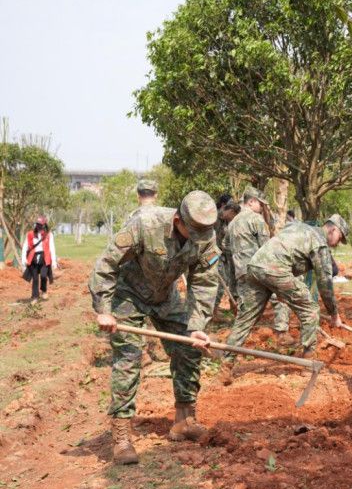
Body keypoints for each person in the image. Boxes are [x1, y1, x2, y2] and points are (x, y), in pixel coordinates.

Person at [88, 190, 220, 465]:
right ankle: (122, 436)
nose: (196, 239)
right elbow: (107, 264)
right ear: (177, 220)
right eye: (190, 233)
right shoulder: (145, 224)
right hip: (129, 294)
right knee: (129, 357)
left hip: (166, 296)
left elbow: (205, 281)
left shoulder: (205, 236)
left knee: (189, 348)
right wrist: (104, 310)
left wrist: (196, 326)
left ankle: (184, 420)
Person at [223, 215, 347, 368]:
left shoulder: (298, 227)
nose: (338, 244)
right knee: (311, 310)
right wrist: (334, 314)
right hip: (276, 270)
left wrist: (282, 291)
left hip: (254, 266)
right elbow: (325, 283)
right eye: (340, 238)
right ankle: (308, 363)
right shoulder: (319, 243)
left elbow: (284, 252)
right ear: (333, 229)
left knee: (246, 318)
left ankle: (226, 365)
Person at [22, 216, 57, 303]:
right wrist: (23, 259)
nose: (38, 226)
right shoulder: (30, 234)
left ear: (44, 225)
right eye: (37, 224)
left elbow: (52, 248)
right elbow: (25, 247)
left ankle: (44, 290)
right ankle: (35, 297)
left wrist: (54, 261)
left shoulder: (49, 235)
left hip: (44, 257)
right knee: (35, 278)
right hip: (33, 257)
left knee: (43, 275)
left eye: (40, 225)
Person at [213, 194, 238, 318]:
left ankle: (215, 309)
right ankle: (213, 312)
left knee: (226, 281)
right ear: (223, 206)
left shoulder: (228, 220)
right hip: (215, 254)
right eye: (229, 206)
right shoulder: (217, 216)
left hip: (225, 255)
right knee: (219, 281)